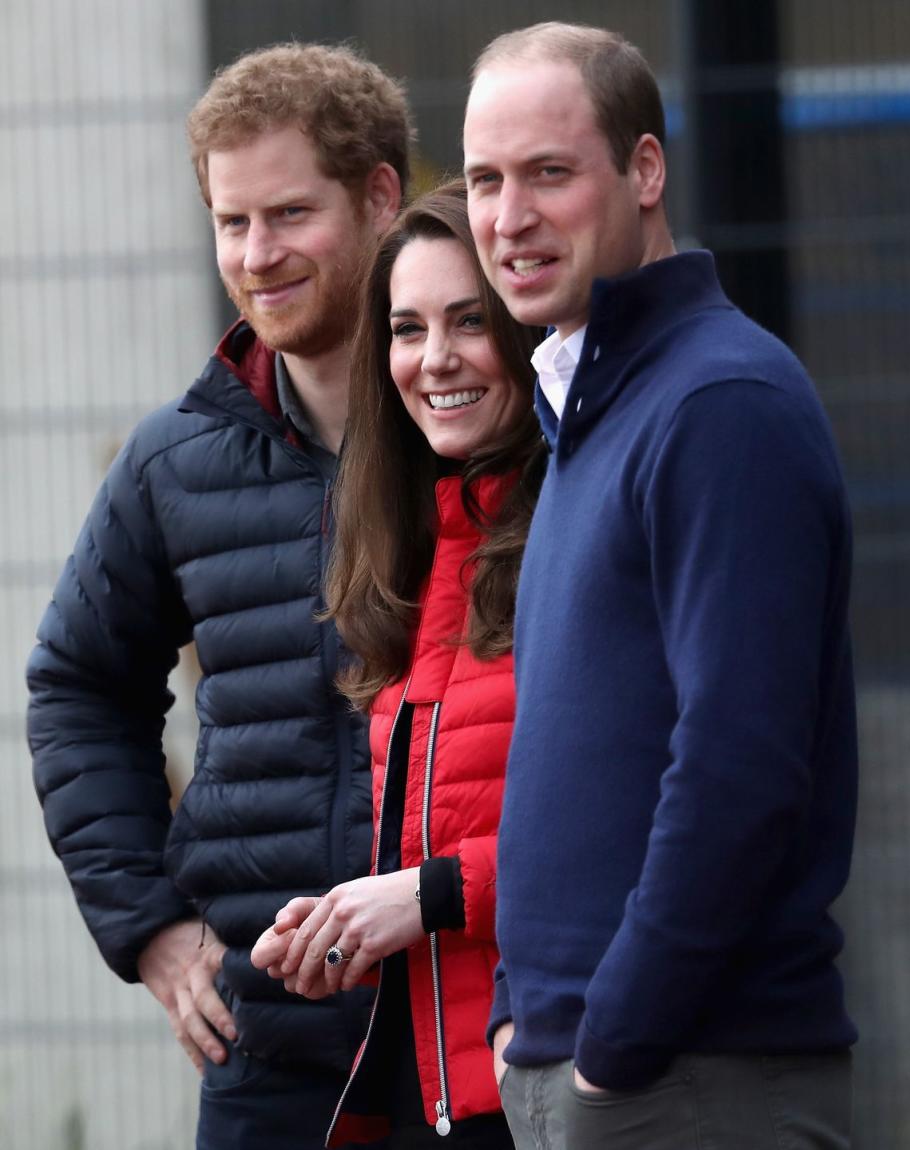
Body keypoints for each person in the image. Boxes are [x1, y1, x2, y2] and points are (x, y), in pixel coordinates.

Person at [462, 21, 859, 1150]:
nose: (508, 217)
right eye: (487, 179)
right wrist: (522, 1017)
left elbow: (740, 761)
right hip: (599, 1074)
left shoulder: (717, 403)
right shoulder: (590, 409)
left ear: (644, 170)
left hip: (689, 1079)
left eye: (549, 172)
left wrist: (611, 1040)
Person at [26, 42, 411, 1150]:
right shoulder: (175, 458)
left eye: (289, 214)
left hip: (475, 1027)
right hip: (270, 1051)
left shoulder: (485, 425)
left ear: (381, 195)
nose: (257, 254)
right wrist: (147, 926)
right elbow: (75, 684)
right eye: (232, 222)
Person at [250, 181, 545, 1148]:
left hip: (546, 1081)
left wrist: (417, 899)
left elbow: (616, 830)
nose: (436, 359)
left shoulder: (578, 532)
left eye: (470, 321)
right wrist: (346, 926)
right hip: (432, 1091)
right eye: (408, 329)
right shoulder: (414, 555)